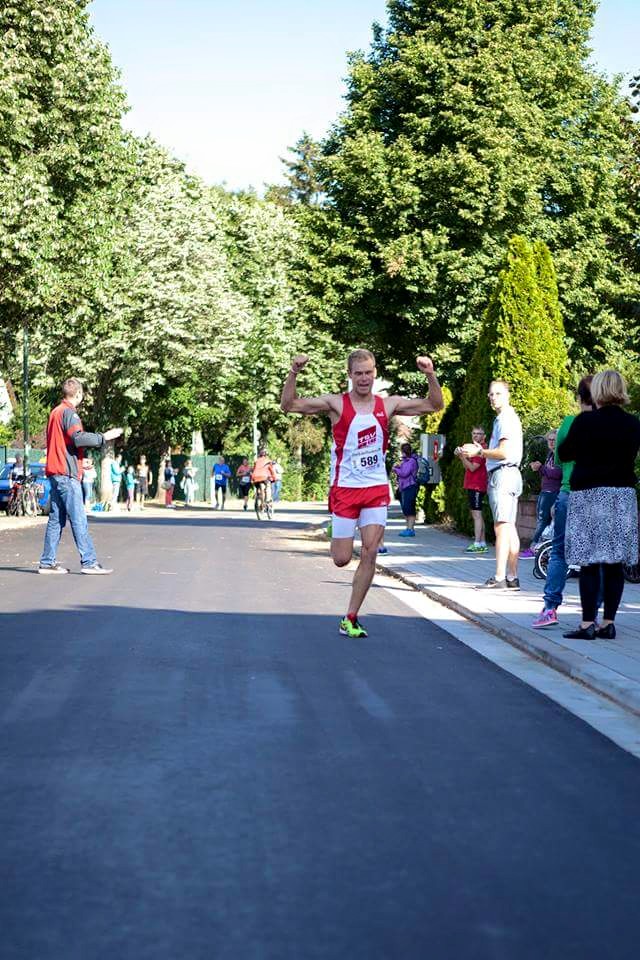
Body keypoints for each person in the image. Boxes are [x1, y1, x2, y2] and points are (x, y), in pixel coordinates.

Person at [281, 349, 443, 638]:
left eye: (369, 372)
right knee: (341, 558)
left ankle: (351, 616)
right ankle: (340, 535)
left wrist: (430, 374)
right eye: (358, 373)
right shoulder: (336, 404)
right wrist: (294, 372)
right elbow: (289, 404)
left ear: (375, 372)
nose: (364, 378)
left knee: (370, 551)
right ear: (350, 375)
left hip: (376, 488)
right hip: (345, 489)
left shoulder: (388, 404)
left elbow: (434, 404)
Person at [558, 370, 640, 640]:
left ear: (598, 391)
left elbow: (564, 453)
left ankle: (586, 623)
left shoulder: (585, 421)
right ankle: (608, 623)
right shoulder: (633, 424)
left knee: (590, 562)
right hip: (621, 497)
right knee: (614, 562)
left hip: (589, 495)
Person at [38, 377, 122, 574]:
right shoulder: (69, 413)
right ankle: (89, 562)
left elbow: (63, 444)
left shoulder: (55, 412)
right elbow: (78, 438)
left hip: (56, 471)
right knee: (78, 518)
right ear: (79, 394)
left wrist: (79, 460)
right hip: (66, 475)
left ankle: (47, 562)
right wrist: (104, 437)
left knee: (56, 519)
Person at [531, 377, 594, 629]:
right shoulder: (603, 425)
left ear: (579, 397)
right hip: (594, 495)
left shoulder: (569, 423)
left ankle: (550, 608)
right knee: (593, 555)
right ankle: (593, 615)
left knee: (559, 551)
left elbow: (558, 459)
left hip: (568, 491)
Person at [460, 380, 523, 590]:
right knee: (510, 527)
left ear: (507, 395)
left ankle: (499, 577)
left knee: (501, 527)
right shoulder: (509, 417)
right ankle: (512, 577)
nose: (492, 397)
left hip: (503, 475)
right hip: (512, 475)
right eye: (491, 394)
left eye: (497, 394)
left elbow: (503, 452)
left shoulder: (505, 419)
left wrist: (480, 452)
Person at [519, 430, 562, 559]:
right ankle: (540, 548)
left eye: (554, 439)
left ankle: (533, 548)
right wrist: (539, 468)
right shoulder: (550, 454)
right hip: (545, 491)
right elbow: (548, 473)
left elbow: (558, 474)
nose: (551, 442)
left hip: (552, 492)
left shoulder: (559, 455)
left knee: (543, 520)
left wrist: (541, 468)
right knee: (543, 520)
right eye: (549, 440)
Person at [454, 426, 488, 553]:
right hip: (472, 484)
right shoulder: (474, 449)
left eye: (479, 434)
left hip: (477, 485)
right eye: (474, 433)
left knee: (477, 515)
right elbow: (467, 467)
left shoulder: (481, 449)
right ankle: (482, 543)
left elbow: (473, 468)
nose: (476, 436)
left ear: (484, 436)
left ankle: (477, 543)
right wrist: (462, 456)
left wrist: (462, 457)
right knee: (477, 514)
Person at [392, 443, 419, 537]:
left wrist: (395, 469)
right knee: (405, 508)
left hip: (410, 486)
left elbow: (404, 473)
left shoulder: (411, 461)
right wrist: (399, 467)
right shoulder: (406, 461)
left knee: (409, 508)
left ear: (404, 451)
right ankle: (408, 528)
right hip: (404, 487)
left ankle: (410, 529)